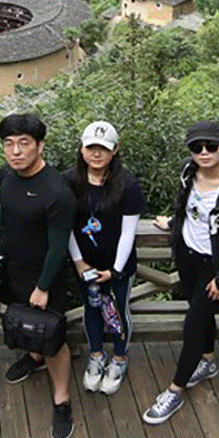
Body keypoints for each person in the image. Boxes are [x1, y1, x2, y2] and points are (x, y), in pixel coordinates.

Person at [141, 120, 219, 426]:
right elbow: (185, 209)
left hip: (213, 267)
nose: (204, 152)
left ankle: (175, 390)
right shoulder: (188, 172)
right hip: (188, 258)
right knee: (200, 315)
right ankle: (207, 360)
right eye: (196, 147)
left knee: (192, 325)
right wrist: (174, 225)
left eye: (210, 146)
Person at [0, 112, 79, 438]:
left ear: (39, 146)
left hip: (45, 276)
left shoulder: (57, 192)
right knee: (29, 327)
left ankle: (62, 400)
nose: (15, 151)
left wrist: (42, 287)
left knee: (53, 338)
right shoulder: (7, 177)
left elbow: (58, 246)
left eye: (23, 143)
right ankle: (34, 357)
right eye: (9, 144)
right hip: (13, 269)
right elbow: (4, 211)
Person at [67, 120, 145, 397]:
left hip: (117, 266)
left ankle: (120, 358)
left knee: (119, 310)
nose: (96, 154)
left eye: (103, 148)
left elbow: (128, 233)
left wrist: (115, 270)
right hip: (84, 265)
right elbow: (66, 226)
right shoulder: (71, 181)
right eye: (91, 148)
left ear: (115, 150)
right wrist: (79, 262)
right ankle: (97, 354)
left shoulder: (127, 184)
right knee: (92, 308)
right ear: (81, 149)